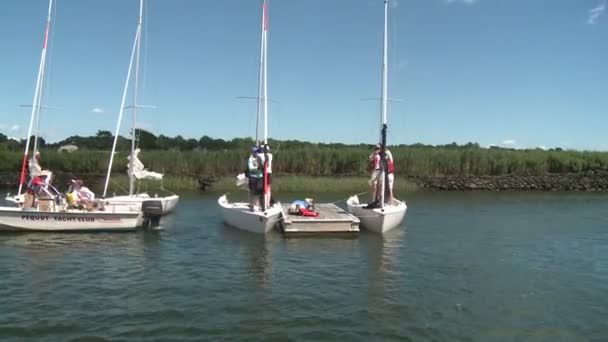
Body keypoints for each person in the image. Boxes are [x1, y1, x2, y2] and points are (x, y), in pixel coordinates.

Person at [246, 146, 263, 210]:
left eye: (257, 152)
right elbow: (250, 168)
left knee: (259, 191)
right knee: (252, 192)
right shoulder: (250, 159)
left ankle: (258, 205)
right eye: (255, 152)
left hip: (260, 177)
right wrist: (257, 168)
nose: (257, 153)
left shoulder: (259, 158)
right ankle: (251, 205)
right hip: (253, 177)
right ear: (252, 152)